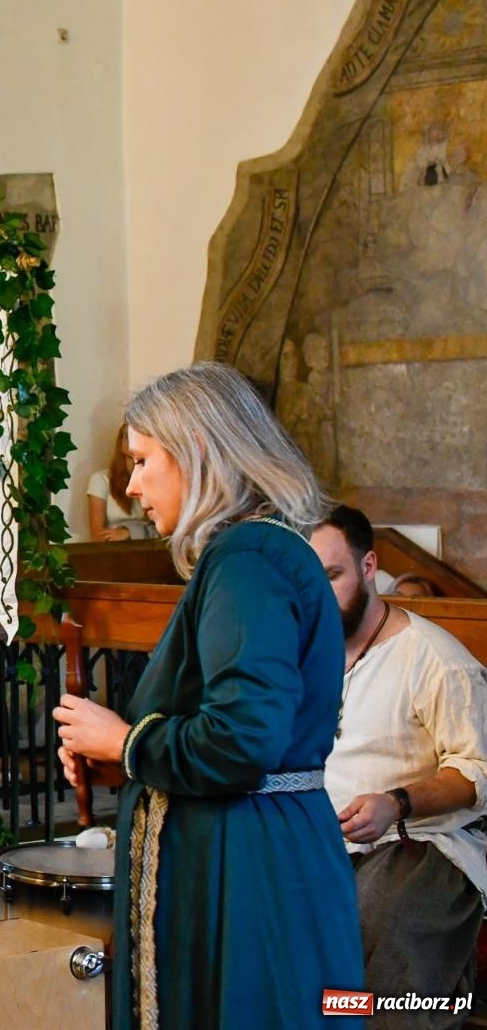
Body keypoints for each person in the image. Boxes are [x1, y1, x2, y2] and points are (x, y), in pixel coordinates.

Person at [52, 362, 363, 1028]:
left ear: (194, 451)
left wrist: (125, 741)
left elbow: (241, 741)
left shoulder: (247, 561)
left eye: (142, 461)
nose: (131, 486)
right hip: (256, 847)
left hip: (245, 866)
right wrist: (125, 759)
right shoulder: (260, 554)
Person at [311, 505, 487, 1027]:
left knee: (368, 934)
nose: (318, 595)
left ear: (369, 567)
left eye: (332, 576)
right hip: (325, 843)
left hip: (424, 844)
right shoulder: (305, 656)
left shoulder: (436, 659)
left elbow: (477, 770)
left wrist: (397, 802)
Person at [86, 422, 155, 541]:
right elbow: (97, 535)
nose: (129, 439)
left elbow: (164, 531)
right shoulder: (101, 479)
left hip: (148, 546)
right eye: (125, 435)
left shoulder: (153, 479)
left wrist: (129, 532)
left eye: (135, 435)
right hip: (113, 548)